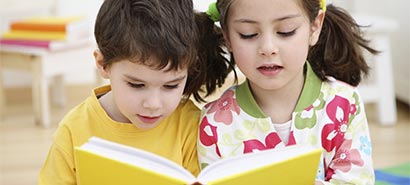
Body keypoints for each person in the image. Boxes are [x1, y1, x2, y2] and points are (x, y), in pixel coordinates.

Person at [38, 0, 234, 184]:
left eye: (171, 86)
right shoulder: (74, 130)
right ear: (103, 64)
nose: (153, 104)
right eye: (137, 85)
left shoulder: (189, 124)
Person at [196, 0, 378, 184]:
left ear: (315, 27)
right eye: (248, 34)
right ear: (227, 37)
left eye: (286, 31)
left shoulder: (345, 104)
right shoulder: (214, 124)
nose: (268, 49)